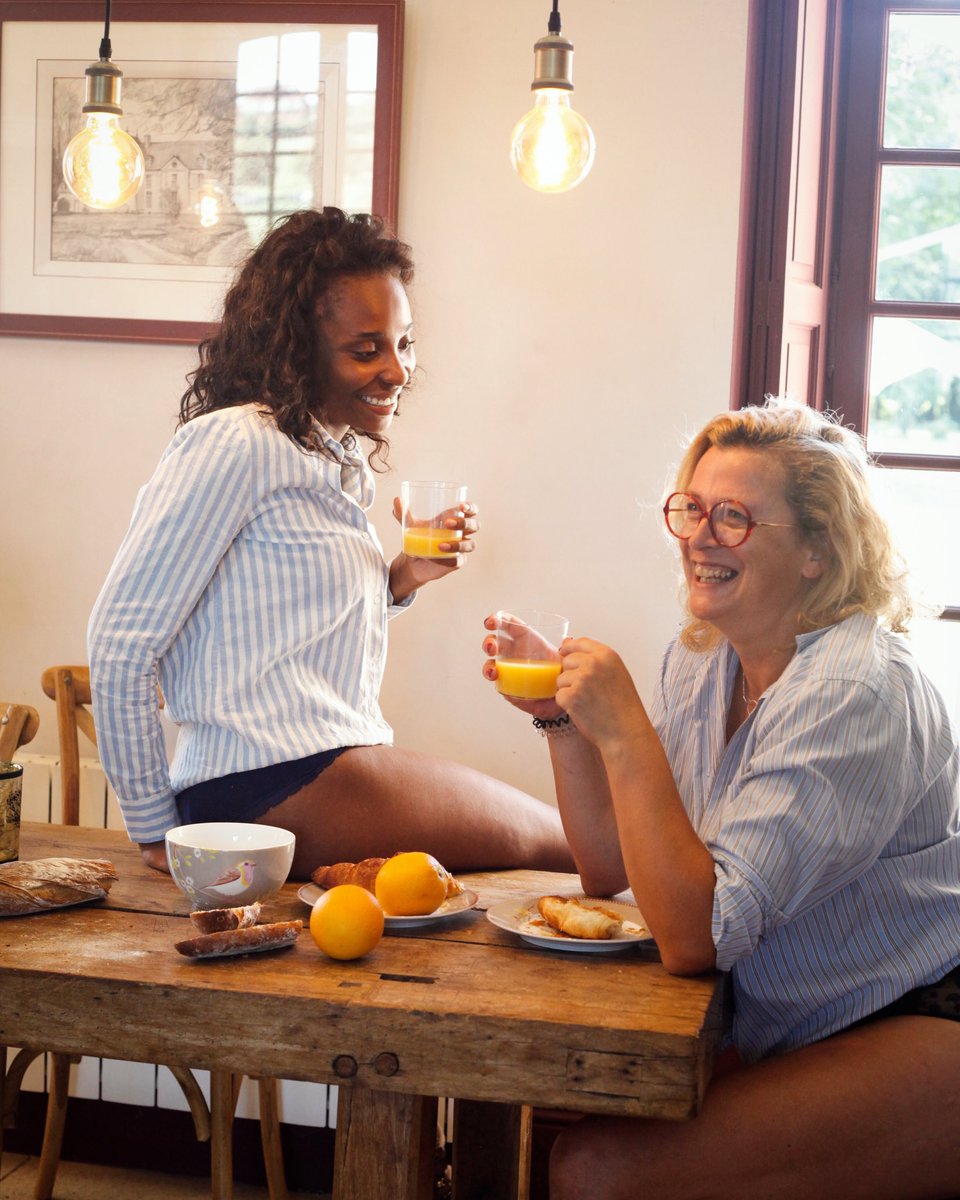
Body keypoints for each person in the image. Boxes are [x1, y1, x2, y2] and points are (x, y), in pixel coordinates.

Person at [482, 399, 960, 1199]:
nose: (699, 537)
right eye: (693, 509)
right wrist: (564, 721)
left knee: (594, 1169)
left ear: (817, 549)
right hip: (790, 1024)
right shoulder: (705, 660)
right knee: (553, 1115)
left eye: (734, 517)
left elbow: (695, 935)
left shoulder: (854, 691)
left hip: (919, 1021)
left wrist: (627, 731)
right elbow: (609, 870)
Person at [89, 207, 573, 878]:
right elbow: (121, 642)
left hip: (305, 774)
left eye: (405, 343)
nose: (399, 371)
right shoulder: (238, 442)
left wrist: (404, 576)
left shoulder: (321, 456)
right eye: (366, 348)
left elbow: (286, 634)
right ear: (297, 348)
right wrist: (152, 828)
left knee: (561, 848)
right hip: (268, 783)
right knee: (570, 844)